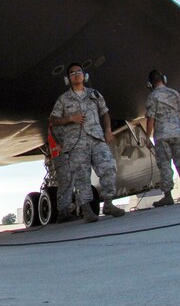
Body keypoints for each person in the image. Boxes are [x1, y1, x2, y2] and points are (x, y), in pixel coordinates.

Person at [49, 63, 126, 222]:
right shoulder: (63, 100)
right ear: (67, 79)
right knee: (82, 177)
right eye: (72, 73)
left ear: (84, 75)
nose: (76, 74)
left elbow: (104, 113)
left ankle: (109, 203)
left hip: (96, 138)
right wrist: (70, 118)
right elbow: (53, 120)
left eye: (79, 71)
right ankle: (87, 211)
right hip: (76, 144)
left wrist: (108, 130)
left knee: (108, 167)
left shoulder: (95, 94)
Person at [144, 69, 180, 206]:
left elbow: (150, 119)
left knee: (165, 165)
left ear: (150, 84)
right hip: (178, 133)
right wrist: (178, 128)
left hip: (162, 135)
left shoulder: (152, 97)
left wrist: (147, 137)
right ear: (164, 79)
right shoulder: (174, 93)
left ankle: (168, 195)